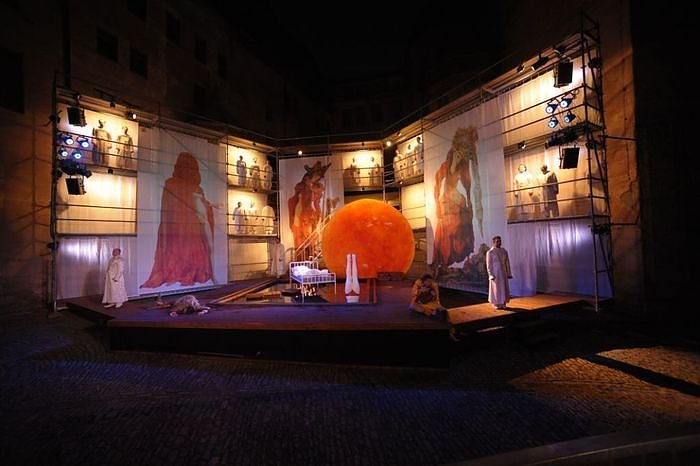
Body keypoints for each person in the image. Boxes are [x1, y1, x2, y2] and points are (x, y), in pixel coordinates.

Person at [141, 151, 215, 288]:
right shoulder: (197, 188)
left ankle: (177, 272)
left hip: (174, 230)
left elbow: (166, 211)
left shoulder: (170, 183)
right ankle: (189, 272)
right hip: (192, 231)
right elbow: (202, 211)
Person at [432, 126, 484, 275]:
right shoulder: (448, 163)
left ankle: (464, 262)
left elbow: (470, 186)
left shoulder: (464, 165)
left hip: (458, 199)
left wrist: (470, 205)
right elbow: (439, 180)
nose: (464, 153)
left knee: (464, 225)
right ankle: (444, 263)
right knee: (450, 229)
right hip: (448, 201)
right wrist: (438, 206)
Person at [287, 160, 331, 260]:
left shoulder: (313, 188)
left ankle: (309, 253)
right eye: (316, 177)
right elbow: (301, 204)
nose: (317, 179)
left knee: (311, 236)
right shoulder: (303, 188)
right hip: (302, 215)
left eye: (318, 178)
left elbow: (316, 200)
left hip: (309, 215)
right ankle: (303, 255)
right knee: (303, 235)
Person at [486, 235, 512, 310]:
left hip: (503, 272)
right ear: (494, 242)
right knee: (496, 288)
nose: (499, 243)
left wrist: (509, 273)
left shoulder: (504, 251)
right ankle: (496, 303)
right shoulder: (490, 252)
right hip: (495, 273)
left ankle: (503, 302)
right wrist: (491, 274)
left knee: (503, 287)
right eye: (497, 241)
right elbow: (489, 265)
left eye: (500, 241)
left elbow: (507, 263)